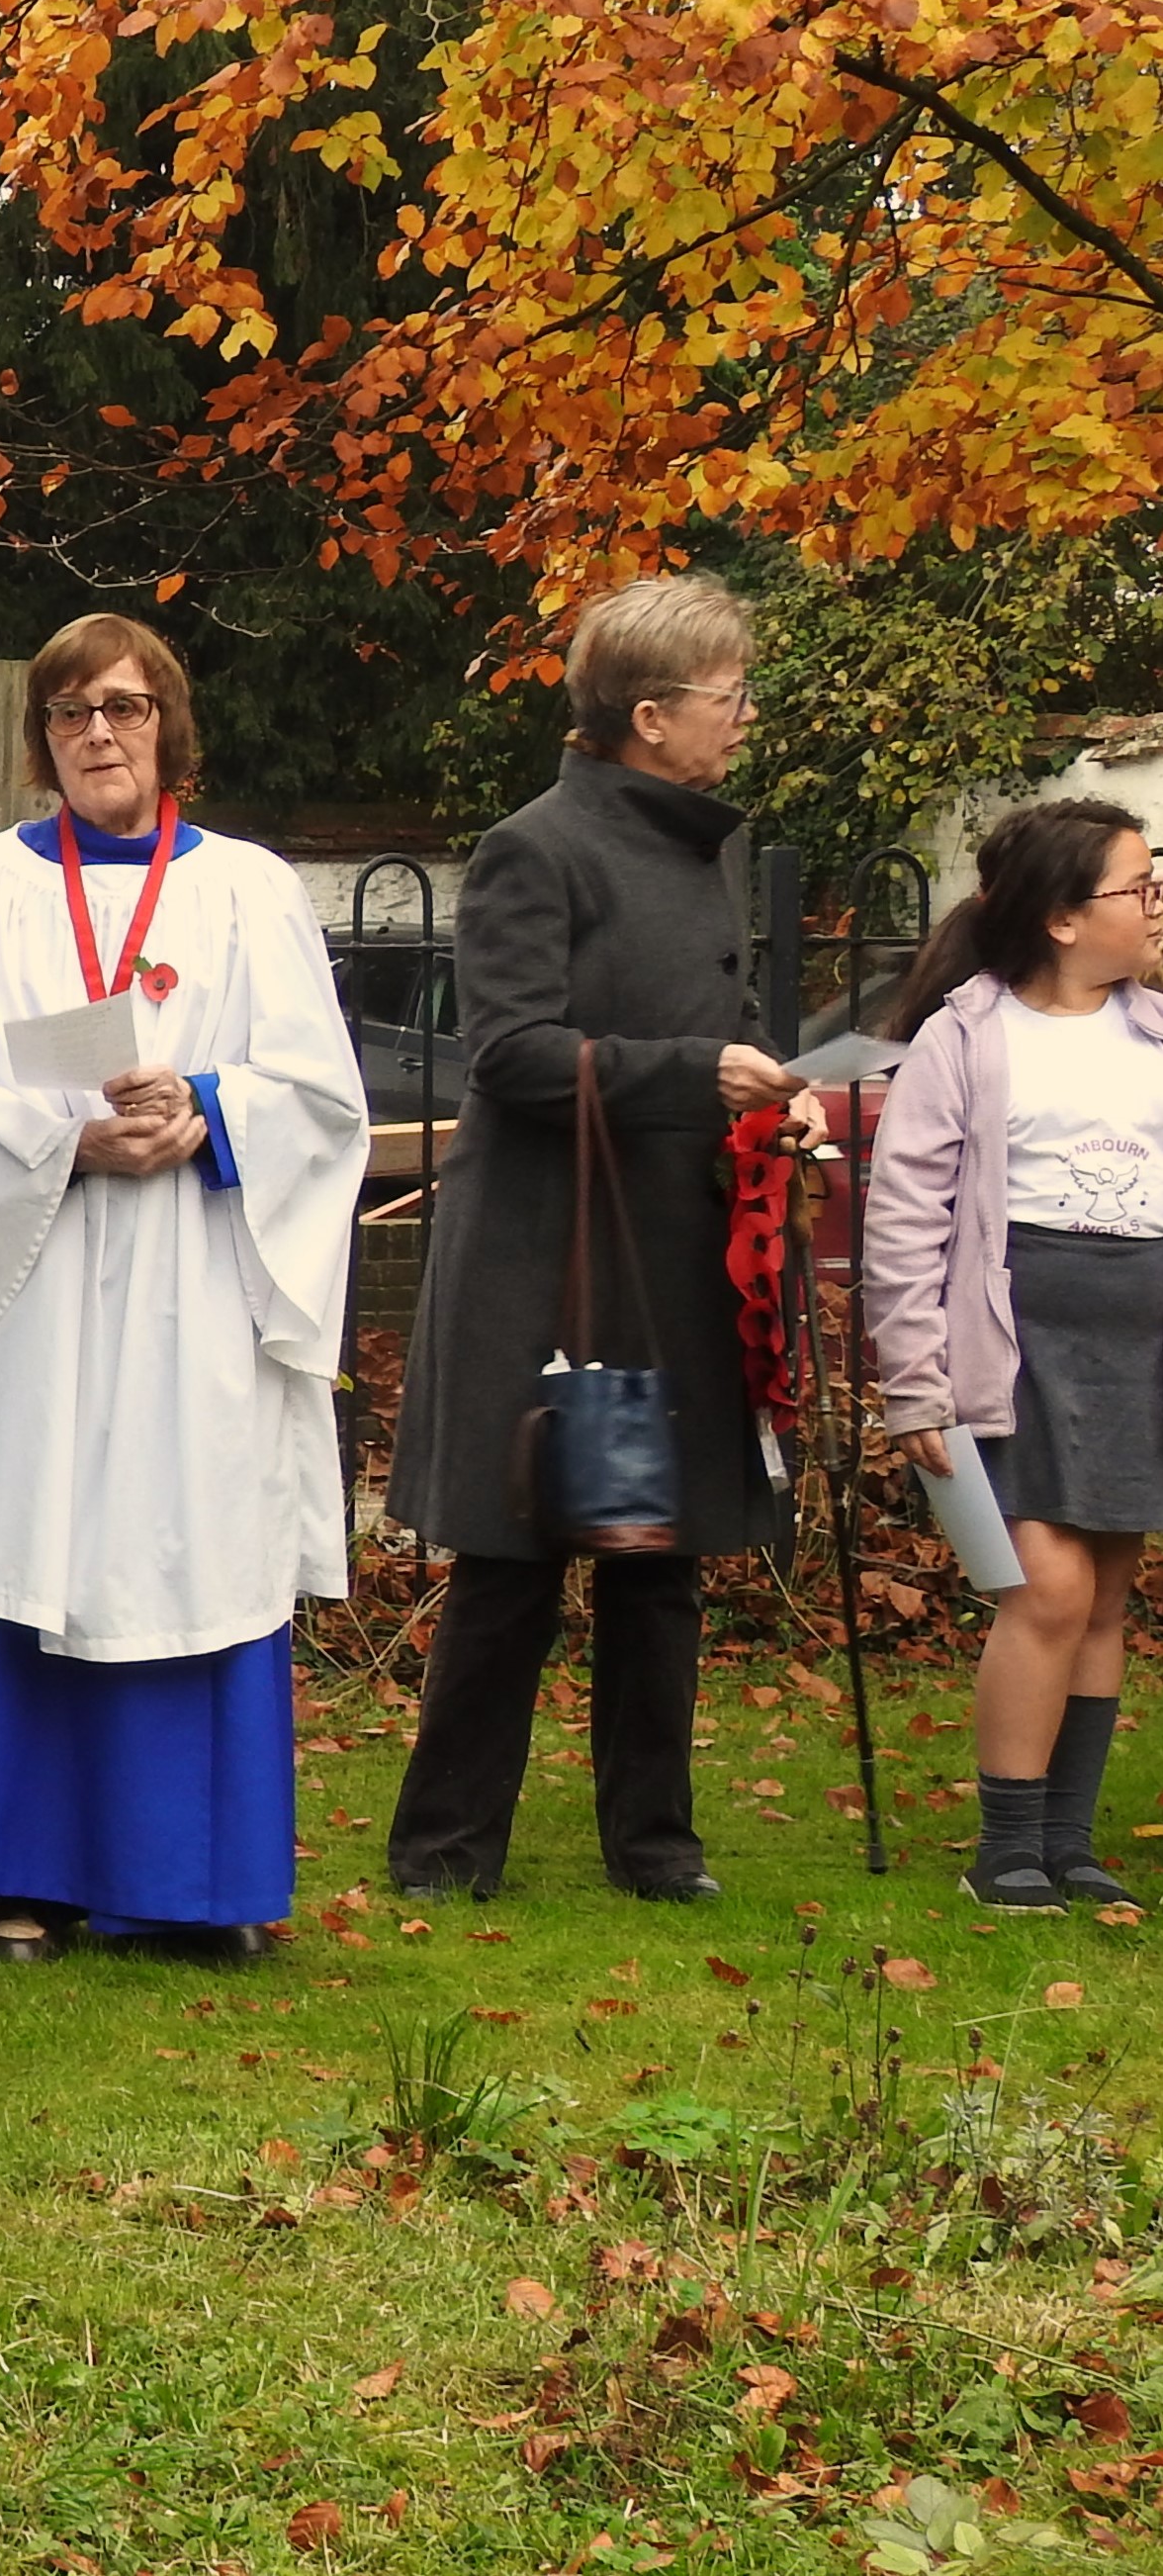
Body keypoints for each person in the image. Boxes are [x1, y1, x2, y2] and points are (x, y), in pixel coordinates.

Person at [0, 614, 369, 1960]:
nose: (98, 732)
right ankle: (20, 1875)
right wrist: (65, 1139)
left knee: (185, 1543)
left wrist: (207, 1105)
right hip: (26, 1285)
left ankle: (192, 1884)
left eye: (125, 706)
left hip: (189, 1283)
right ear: (42, 737)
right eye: (70, 711)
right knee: (21, 1535)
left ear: (168, 727)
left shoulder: (249, 889)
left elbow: (322, 1094)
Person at [388, 575, 801, 1904]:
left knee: (655, 1556)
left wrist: (763, 1092)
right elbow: (508, 1051)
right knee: (515, 1559)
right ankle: (443, 1849)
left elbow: (699, 1024)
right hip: (547, 1256)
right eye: (727, 694)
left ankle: (656, 1846)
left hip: (671, 1246)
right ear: (649, 715)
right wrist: (695, 1070)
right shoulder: (535, 847)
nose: (744, 715)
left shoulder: (710, 844)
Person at [864, 799, 1163, 1910]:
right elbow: (906, 1219)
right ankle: (1007, 1846)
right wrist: (914, 1382)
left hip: (1139, 1348)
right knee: (1048, 1589)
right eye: (1138, 885)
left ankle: (1069, 1844)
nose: (1156, 903)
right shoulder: (968, 1037)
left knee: (1104, 1596)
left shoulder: (1156, 1027)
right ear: (1063, 918)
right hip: (1019, 1346)